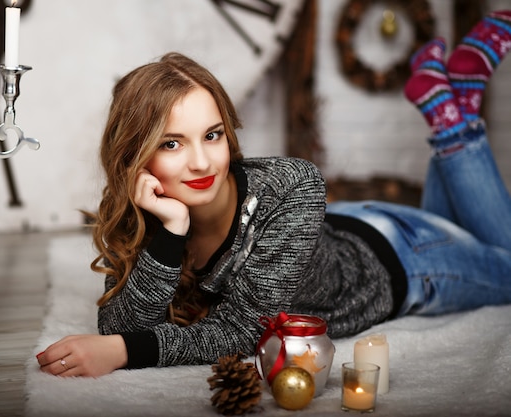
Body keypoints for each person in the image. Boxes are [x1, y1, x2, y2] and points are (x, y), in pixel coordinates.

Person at [36, 10, 511, 378]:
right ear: (136, 156)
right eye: (172, 143)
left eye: (213, 135)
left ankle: (452, 125)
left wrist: (124, 353)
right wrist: (168, 232)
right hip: (351, 226)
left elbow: (244, 330)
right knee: (477, 234)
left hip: (405, 258)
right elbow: (123, 322)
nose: (202, 163)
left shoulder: (295, 183)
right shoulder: (151, 206)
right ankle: (459, 99)